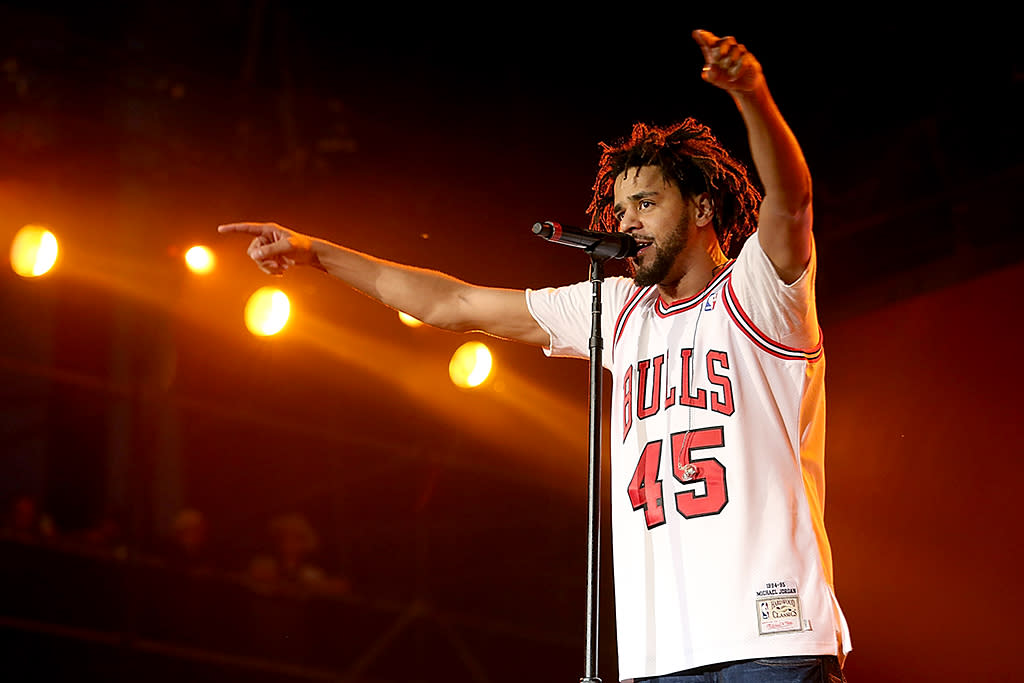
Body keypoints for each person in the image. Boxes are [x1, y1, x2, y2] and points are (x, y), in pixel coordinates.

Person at [219, 29, 850, 682]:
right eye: (618, 206)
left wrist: (751, 95)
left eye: (647, 202)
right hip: (662, 653)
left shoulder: (758, 290)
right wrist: (317, 252)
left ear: (702, 206)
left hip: (772, 637)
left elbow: (792, 200)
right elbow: (454, 304)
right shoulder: (620, 307)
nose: (626, 220)